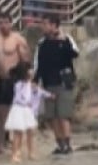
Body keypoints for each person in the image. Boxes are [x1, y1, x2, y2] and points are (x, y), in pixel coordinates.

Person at [33, 15, 79, 155]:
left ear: (54, 25)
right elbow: (38, 63)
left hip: (64, 81)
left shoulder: (67, 39)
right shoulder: (42, 43)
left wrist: (63, 41)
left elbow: (75, 54)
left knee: (63, 114)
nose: (43, 27)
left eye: (46, 24)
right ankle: (59, 143)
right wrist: (36, 80)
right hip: (48, 82)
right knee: (52, 116)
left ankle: (67, 143)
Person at [0, 13, 29, 153]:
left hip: (15, 78)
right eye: (1, 22)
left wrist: (25, 81)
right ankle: (1, 144)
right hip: (2, 80)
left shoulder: (17, 39)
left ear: (11, 23)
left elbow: (26, 60)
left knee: (18, 114)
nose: (3, 25)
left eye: (6, 22)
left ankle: (17, 144)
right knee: (1, 115)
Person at [5, 61, 51, 162]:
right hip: (19, 109)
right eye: (30, 69)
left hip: (27, 110)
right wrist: (26, 102)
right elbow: (18, 98)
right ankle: (15, 153)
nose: (32, 71)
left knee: (31, 131)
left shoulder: (30, 84)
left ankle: (31, 152)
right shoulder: (19, 84)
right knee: (18, 132)